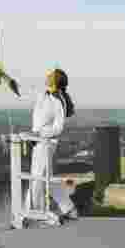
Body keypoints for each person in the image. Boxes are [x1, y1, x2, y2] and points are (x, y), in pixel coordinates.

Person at [25, 68, 77, 221]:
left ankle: (27, 215)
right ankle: (69, 208)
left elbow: (58, 128)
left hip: (47, 143)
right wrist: (7, 80)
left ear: (56, 80)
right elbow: (23, 92)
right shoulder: (43, 95)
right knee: (46, 178)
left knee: (37, 179)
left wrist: (40, 134)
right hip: (37, 143)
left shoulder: (58, 101)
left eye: (50, 75)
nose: (47, 76)